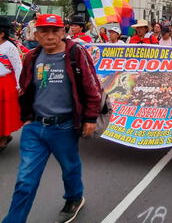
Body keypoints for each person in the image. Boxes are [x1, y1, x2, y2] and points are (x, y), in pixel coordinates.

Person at [3, 13, 102, 223]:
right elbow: (25, 88)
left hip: (64, 127)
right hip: (35, 128)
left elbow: (92, 89)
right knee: (25, 182)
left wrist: (90, 118)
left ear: (63, 32)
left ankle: (74, 198)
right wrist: (26, 118)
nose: (50, 36)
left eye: (55, 31)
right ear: (36, 34)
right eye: (44, 31)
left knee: (70, 168)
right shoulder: (30, 57)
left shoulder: (76, 54)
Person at [0, 17, 22, 152]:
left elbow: (18, 67)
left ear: (2, 33)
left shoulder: (10, 47)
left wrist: (20, 85)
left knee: (5, 112)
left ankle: (4, 137)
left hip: (6, 84)